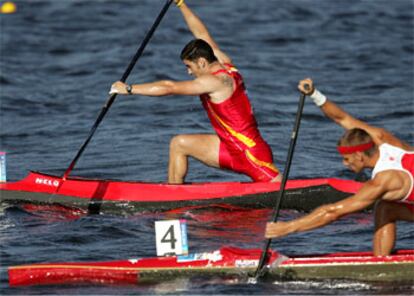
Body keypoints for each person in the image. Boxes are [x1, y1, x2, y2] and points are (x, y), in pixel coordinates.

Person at [110, 0, 281, 184]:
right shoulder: (225, 64)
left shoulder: (213, 81)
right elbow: (201, 34)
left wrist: (128, 89)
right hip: (230, 148)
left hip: (249, 155)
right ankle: (173, 196)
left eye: (189, 66)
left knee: (279, 188)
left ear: (201, 62)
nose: (189, 72)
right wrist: (181, 4)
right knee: (179, 144)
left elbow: (169, 87)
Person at [265, 78, 414, 256]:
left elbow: (333, 212)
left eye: (346, 158)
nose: (344, 163)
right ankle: (381, 262)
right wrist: (314, 94)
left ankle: (381, 265)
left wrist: (287, 227)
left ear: (359, 156)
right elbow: (342, 118)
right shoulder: (382, 139)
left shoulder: (384, 180)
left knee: (383, 206)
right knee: (385, 208)